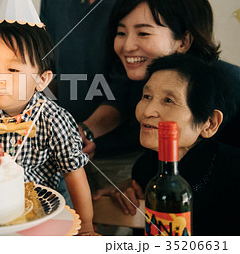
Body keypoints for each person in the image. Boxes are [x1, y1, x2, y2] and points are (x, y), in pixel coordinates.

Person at [0, 21, 97, 235]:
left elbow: (74, 175)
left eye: (12, 69)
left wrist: (85, 227)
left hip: (43, 214)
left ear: (42, 80)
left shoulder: (53, 119)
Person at [99, 54, 240, 236]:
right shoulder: (144, 169)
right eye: (147, 96)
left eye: (168, 100)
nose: (147, 111)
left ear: (210, 123)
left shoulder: (234, 172)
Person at [40, 0, 142, 158]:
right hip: (60, 143)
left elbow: (125, 90)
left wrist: (84, 131)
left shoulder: (141, 2)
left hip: (118, 154)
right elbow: (46, 66)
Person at [108, 0, 240, 148]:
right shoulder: (140, 74)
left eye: (143, 33)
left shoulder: (231, 84)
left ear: (183, 41)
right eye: (121, 32)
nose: (127, 46)